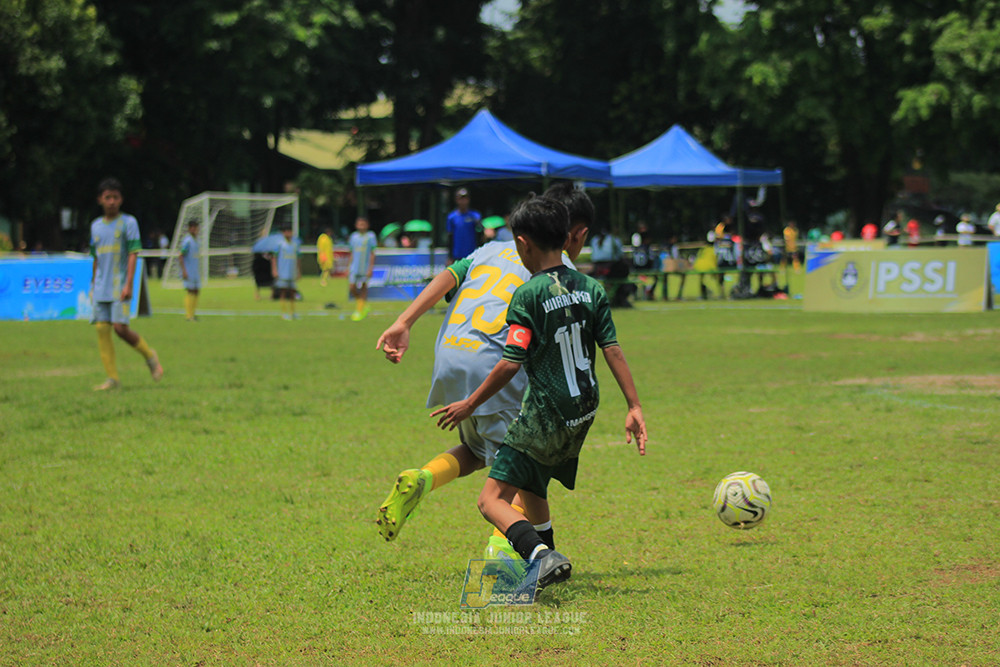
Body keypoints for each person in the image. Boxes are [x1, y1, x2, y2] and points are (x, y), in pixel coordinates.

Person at [431, 194, 647, 591]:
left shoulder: (528, 295)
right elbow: (612, 349)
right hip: (583, 409)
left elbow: (510, 362)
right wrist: (634, 405)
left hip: (544, 414)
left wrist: (469, 403)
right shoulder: (590, 287)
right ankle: (549, 564)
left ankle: (540, 556)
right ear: (567, 238)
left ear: (522, 243)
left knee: (490, 500)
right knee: (532, 482)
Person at [374, 182, 593, 565]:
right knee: (523, 468)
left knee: (479, 449)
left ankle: (424, 477)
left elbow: (448, 276)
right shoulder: (560, 271)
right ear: (575, 234)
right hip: (495, 365)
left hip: (452, 353)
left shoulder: (491, 249)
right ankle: (504, 554)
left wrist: (404, 321)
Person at [89, 178, 164, 391]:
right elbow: (95, 257)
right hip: (101, 286)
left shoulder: (128, 223)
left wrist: (129, 283)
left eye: (115, 197)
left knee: (120, 329)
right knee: (102, 329)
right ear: (100, 200)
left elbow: (133, 254)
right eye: (107, 197)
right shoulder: (95, 226)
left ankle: (150, 356)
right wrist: (93, 283)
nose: (111, 201)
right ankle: (112, 379)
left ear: (121, 199)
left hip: (120, 284)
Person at [348, 217, 377, 321]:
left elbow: (373, 253)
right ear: (356, 225)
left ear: (367, 225)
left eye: (363, 224)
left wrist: (371, 267)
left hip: (365, 266)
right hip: (354, 267)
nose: (361, 226)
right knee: (352, 287)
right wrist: (349, 266)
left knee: (364, 287)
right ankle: (362, 304)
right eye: (359, 224)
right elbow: (351, 253)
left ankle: (360, 310)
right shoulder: (353, 237)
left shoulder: (370, 236)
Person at [272, 225, 300, 320]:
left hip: (291, 272)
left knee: (292, 292)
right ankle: (283, 312)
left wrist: (298, 271)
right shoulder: (280, 245)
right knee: (283, 292)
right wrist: (275, 270)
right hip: (282, 272)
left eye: (290, 231)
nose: (288, 234)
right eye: (286, 231)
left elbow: (298, 258)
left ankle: (293, 312)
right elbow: (274, 257)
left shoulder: (295, 245)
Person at [446, 188, 482, 262]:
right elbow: (450, 237)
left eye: (465, 198)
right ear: (456, 200)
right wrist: (450, 256)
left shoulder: (475, 216)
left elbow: (480, 233)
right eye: (460, 199)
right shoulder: (452, 217)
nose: (463, 201)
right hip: (457, 255)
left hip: (472, 254)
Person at [179, 220, 201, 321]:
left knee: (196, 291)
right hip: (188, 270)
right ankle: (189, 315)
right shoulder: (187, 241)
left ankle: (193, 313)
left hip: (195, 270)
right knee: (190, 291)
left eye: (196, 227)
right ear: (189, 228)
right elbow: (181, 255)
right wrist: (184, 270)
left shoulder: (197, 240)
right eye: (192, 227)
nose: (194, 229)